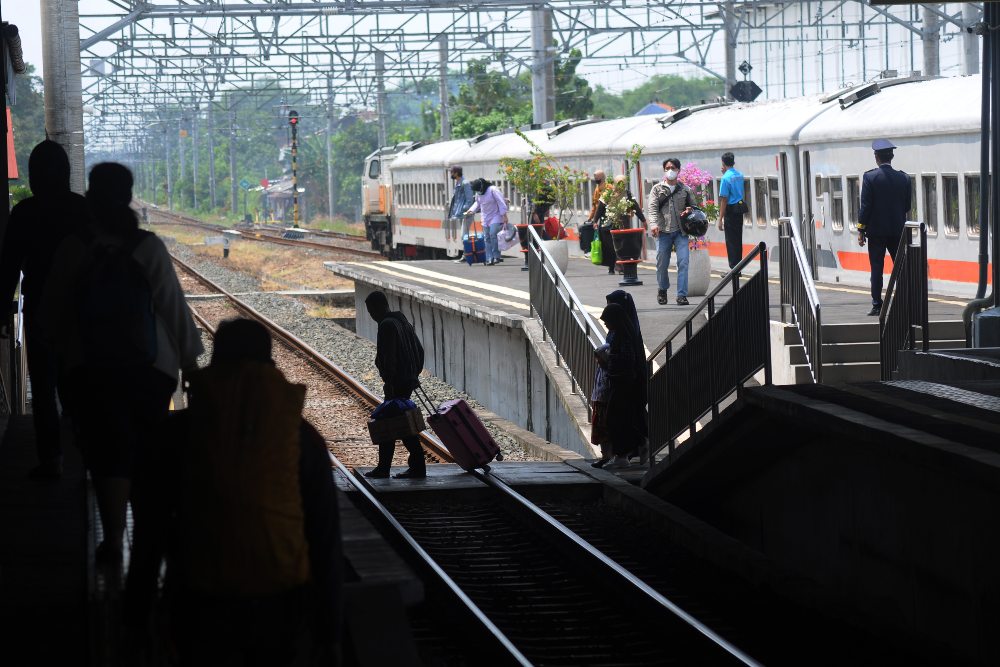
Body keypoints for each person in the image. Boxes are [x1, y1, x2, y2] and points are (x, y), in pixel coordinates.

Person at [125, 318, 341, 664]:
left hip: (201, 600)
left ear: (215, 363)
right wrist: (330, 630)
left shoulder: (175, 434)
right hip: (283, 601)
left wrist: (135, 619)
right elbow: (325, 536)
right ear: (270, 363)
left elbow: (150, 534)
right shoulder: (300, 437)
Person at [44, 162, 203, 564]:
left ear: (90, 197)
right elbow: (173, 309)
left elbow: (51, 314)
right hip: (150, 372)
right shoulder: (146, 246)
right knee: (146, 451)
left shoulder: (72, 248)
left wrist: (64, 359)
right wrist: (190, 363)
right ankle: (151, 543)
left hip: (88, 371)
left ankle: (113, 540)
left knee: (104, 452)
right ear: (130, 196)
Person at [0, 141, 89, 479]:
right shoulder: (82, 210)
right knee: (77, 386)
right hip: (81, 314)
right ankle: (83, 453)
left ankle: (51, 459)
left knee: (44, 388)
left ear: (34, 176)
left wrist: (2, 312)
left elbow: (9, 268)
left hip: (39, 312)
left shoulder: (25, 213)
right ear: (66, 174)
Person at [364, 291, 427, 479]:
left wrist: (389, 382)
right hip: (407, 381)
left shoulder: (386, 325)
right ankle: (399, 466)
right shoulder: (402, 321)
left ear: (378, 307)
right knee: (395, 422)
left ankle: (400, 467)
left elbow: (388, 358)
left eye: (371, 310)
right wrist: (414, 373)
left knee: (395, 424)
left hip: (396, 383)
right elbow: (420, 350)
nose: (371, 315)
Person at [858, 139, 911, 316]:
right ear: (892, 156)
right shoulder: (904, 178)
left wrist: (861, 229)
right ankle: (904, 302)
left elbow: (865, 207)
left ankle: (877, 305)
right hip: (898, 231)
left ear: (876, 157)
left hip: (876, 232)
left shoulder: (870, 177)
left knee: (877, 268)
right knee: (901, 268)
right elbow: (907, 206)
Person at [597, 302, 648, 470]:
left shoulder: (623, 338)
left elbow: (626, 360)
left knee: (616, 418)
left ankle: (624, 454)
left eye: (607, 321)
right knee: (621, 418)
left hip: (624, 383)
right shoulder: (621, 334)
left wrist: (608, 358)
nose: (605, 324)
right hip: (620, 382)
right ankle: (634, 446)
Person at [648, 158, 697, 306]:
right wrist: (654, 224)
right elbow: (652, 208)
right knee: (662, 263)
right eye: (668, 168)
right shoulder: (657, 189)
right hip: (663, 231)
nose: (670, 170)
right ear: (664, 170)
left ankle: (681, 295)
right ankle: (662, 289)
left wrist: (690, 210)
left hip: (681, 231)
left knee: (683, 262)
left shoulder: (685, 189)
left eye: (673, 168)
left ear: (678, 170)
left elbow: (694, 206)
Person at [596, 175, 645, 275]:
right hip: (609, 225)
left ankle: (621, 267)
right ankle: (611, 266)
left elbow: (636, 207)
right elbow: (600, 208)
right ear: (615, 183)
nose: (621, 186)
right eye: (619, 183)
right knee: (611, 247)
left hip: (623, 224)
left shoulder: (627, 194)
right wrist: (594, 221)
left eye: (623, 183)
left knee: (622, 246)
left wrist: (643, 220)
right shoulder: (608, 194)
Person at [465, 178, 509, 266]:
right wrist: (471, 210)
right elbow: (477, 203)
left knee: (493, 234)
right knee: (486, 238)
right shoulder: (478, 193)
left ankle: (496, 256)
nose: (478, 192)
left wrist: (504, 215)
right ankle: (489, 258)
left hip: (496, 215)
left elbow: (501, 202)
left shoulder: (493, 190)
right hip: (485, 217)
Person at [717, 151, 747, 269]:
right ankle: (738, 266)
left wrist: (720, 219)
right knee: (738, 239)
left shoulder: (725, 178)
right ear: (733, 162)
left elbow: (724, 199)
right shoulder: (740, 175)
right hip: (739, 209)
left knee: (730, 241)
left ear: (723, 163)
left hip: (730, 210)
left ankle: (733, 268)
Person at [448, 166, 475, 263]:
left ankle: (467, 255)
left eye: (452, 172)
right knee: (463, 235)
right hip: (460, 214)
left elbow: (469, 199)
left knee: (464, 235)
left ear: (456, 173)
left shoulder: (465, 183)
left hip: (466, 214)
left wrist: (464, 210)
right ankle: (466, 254)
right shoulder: (458, 183)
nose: (451, 174)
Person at [581, 170, 609, 257]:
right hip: (599, 215)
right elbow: (594, 205)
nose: (595, 179)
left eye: (597, 178)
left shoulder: (608, 188)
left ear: (602, 178)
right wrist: (591, 218)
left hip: (606, 214)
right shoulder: (597, 189)